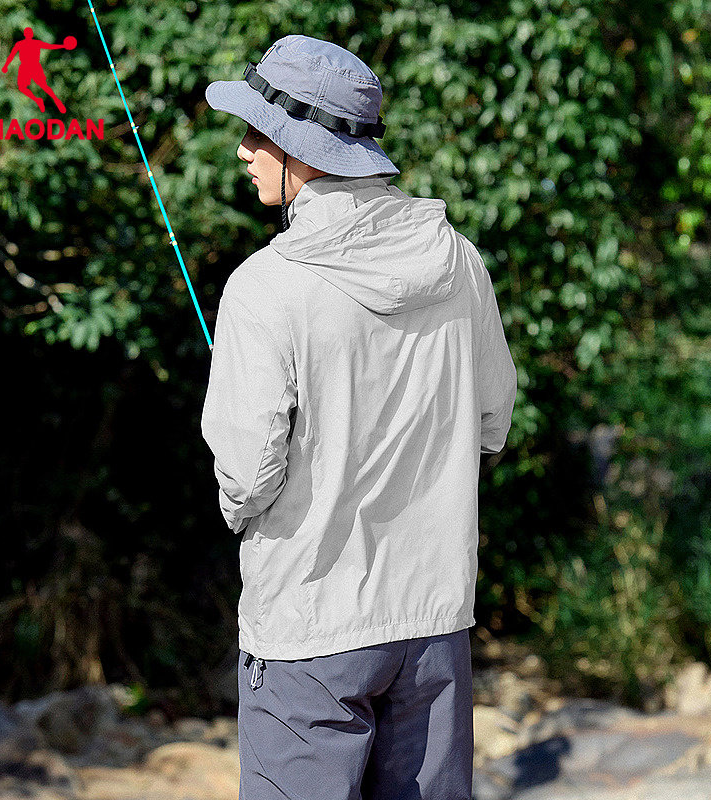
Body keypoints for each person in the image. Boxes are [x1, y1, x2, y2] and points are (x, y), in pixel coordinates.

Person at [201, 34, 517, 800]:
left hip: (307, 629)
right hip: (434, 624)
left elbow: (246, 479)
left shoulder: (263, 288)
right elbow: (493, 422)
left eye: (258, 134)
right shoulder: (460, 261)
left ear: (304, 152)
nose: (244, 151)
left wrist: (243, 511)